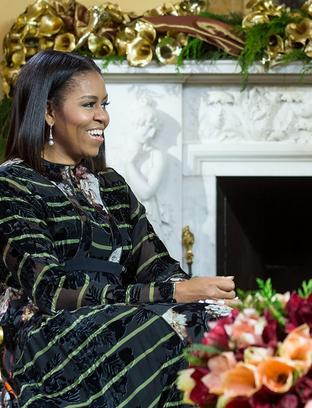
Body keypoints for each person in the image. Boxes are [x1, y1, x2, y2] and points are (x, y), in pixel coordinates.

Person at [0, 50, 237, 407]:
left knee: (224, 322)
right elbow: (52, 290)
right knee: (157, 327)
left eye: (104, 104)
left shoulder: (109, 184)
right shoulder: (12, 184)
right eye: (89, 104)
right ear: (49, 111)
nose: (103, 117)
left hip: (119, 318)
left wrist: (201, 293)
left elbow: (155, 264)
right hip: (46, 335)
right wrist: (172, 296)